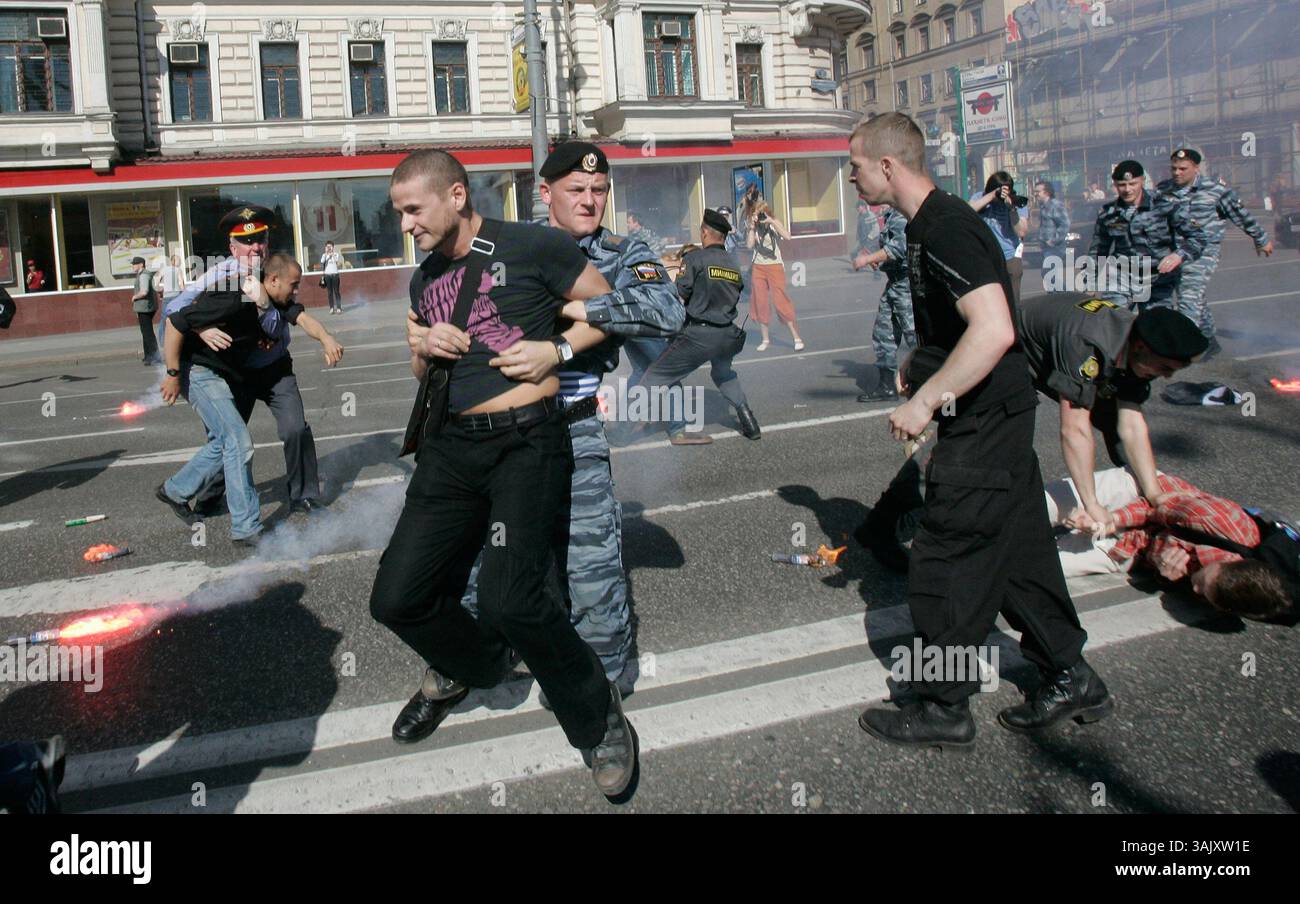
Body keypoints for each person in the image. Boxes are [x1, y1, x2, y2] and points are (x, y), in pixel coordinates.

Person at [370, 148, 637, 798]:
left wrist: (556, 349)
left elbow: (612, 307)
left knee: (511, 598)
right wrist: (423, 346)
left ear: (456, 196)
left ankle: (596, 716)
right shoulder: (425, 279)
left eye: (413, 209)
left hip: (527, 442)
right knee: (397, 598)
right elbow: (425, 371)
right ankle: (480, 664)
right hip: (451, 447)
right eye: (398, 212)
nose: (405, 224)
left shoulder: (534, 246)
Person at [394, 140, 683, 723]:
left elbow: (665, 310)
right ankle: (462, 668)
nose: (590, 201)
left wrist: (570, 324)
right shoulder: (506, 245)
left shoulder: (623, 251)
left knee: (588, 566)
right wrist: (423, 339)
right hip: (493, 436)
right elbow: (437, 310)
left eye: (599, 190)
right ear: (546, 193)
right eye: (577, 190)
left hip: (572, 425)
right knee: (472, 563)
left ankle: (599, 692)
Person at [848, 112, 1108, 748]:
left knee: (946, 556)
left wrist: (924, 401)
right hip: (999, 413)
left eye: (855, 165)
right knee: (1019, 553)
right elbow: (964, 322)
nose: (851, 176)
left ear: (888, 166)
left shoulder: (945, 227)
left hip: (984, 420)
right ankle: (1071, 675)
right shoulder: (929, 224)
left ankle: (944, 707)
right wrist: (922, 358)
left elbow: (994, 328)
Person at [167, 204, 343, 518]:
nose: (256, 247)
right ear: (232, 247)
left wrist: (326, 337)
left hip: (275, 369)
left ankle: (303, 495)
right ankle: (210, 497)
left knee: (295, 429)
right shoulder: (220, 277)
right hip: (237, 374)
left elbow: (299, 315)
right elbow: (174, 313)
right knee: (230, 438)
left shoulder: (274, 274)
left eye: (260, 239)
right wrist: (201, 328)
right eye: (247, 242)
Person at [1016, 294, 1207, 534]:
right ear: (1140, 347)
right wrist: (1091, 504)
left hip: (1064, 342)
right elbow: (1075, 429)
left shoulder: (1139, 346)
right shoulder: (1088, 344)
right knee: (1010, 437)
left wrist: (1154, 493)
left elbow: (1131, 424)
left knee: (1113, 419)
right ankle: (1006, 518)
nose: (1168, 377)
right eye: (1165, 368)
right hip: (1013, 347)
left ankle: (1135, 496)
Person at [156, 253, 301, 546]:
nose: (296, 291)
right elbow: (174, 321)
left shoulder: (268, 301)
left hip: (221, 374)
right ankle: (247, 527)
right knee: (238, 441)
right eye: (294, 285)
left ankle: (174, 490)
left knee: (223, 442)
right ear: (273, 280)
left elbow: (294, 320)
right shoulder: (235, 296)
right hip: (198, 371)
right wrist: (172, 373)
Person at [1044, 468, 1295, 621]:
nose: (1195, 590)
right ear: (1228, 562)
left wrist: (1162, 570)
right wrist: (1107, 521)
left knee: (1044, 565)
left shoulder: (1229, 595)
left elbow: (1201, 586)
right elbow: (1152, 508)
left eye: (1203, 594)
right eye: (1202, 585)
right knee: (1039, 506)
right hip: (1144, 494)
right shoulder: (1220, 521)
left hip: (1136, 545)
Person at [632, 209, 761, 446]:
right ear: (724, 237)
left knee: (656, 373)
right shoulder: (733, 264)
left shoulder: (695, 259)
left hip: (699, 335)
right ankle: (748, 419)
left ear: (704, 233)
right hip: (728, 335)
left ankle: (627, 426)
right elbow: (741, 293)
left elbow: (679, 294)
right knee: (723, 374)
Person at [1157, 148, 1274, 357]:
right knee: (1192, 295)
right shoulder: (1163, 190)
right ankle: (1208, 338)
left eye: (1183, 168)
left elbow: (1240, 214)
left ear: (1196, 168)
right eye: (1174, 168)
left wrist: (1261, 238)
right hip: (1175, 252)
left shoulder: (1215, 190)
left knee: (1188, 296)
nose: (1177, 173)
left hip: (1204, 251)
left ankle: (1186, 349)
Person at [1089, 160, 1205, 310]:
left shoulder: (1165, 205)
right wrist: (1090, 282)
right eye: (1122, 185)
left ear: (1142, 181)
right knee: (1111, 316)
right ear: (1115, 185)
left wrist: (1178, 255)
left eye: (1132, 184)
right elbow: (1098, 250)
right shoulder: (1108, 214)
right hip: (1121, 276)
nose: (1127, 190)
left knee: (1156, 321)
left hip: (1157, 278)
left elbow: (1198, 237)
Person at [852, 204, 914, 402]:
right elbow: (891, 249)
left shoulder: (900, 215)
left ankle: (938, 384)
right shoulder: (891, 214)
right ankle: (887, 387)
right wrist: (880, 259)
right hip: (894, 284)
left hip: (906, 286)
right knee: (883, 334)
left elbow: (900, 247)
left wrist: (867, 258)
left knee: (915, 337)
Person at [746, 199, 804, 351]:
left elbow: (787, 236)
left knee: (780, 300)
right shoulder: (753, 226)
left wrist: (771, 221)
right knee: (760, 302)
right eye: (756, 213)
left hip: (775, 266)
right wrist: (751, 228)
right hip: (758, 267)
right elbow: (749, 245)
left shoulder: (774, 222)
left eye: (761, 213)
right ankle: (765, 339)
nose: (759, 216)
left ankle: (796, 337)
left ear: (767, 212)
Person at [969, 172, 1029, 304]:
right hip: (985, 257)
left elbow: (1021, 232)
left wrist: (1011, 209)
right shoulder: (980, 197)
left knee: (1012, 302)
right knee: (988, 302)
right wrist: (992, 196)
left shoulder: (1016, 201)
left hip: (1009, 257)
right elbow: (967, 211)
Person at [1034, 180, 1071, 284]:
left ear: (1047, 192)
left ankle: (1064, 292)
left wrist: (1054, 240)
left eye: (1038, 192)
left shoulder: (1055, 205)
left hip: (1055, 247)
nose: (1035, 194)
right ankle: (1060, 292)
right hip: (1046, 246)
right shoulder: (1043, 206)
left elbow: (1065, 224)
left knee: (1048, 273)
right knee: (1050, 276)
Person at [129, 256, 161, 365]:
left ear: (141, 264)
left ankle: (155, 357)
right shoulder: (142, 274)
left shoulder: (144, 275)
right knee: (145, 332)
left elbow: (144, 291)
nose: (133, 266)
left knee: (147, 333)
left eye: (134, 264)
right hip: (144, 307)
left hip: (145, 307)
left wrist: (135, 297)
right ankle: (148, 356)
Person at [154, 254, 188, 351]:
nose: (179, 262)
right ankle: (178, 341)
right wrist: (185, 294)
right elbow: (181, 284)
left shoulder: (164, 269)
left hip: (166, 296)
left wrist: (160, 290)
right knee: (177, 318)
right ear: (174, 261)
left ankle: (162, 342)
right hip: (176, 296)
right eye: (178, 260)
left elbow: (156, 282)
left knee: (164, 319)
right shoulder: (178, 270)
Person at [320, 241, 344, 314]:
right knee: (329, 292)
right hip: (327, 275)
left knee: (336, 291)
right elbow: (322, 261)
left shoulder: (336, 254)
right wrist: (326, 254)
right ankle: (331, 308)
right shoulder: (324, 255)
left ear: (333, 247)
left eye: (330, 246)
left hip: (335, 275)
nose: (329, 248)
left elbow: (337, 261)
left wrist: (332, 254)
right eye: (327, 246)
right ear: (325, 247)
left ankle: (339, 307)